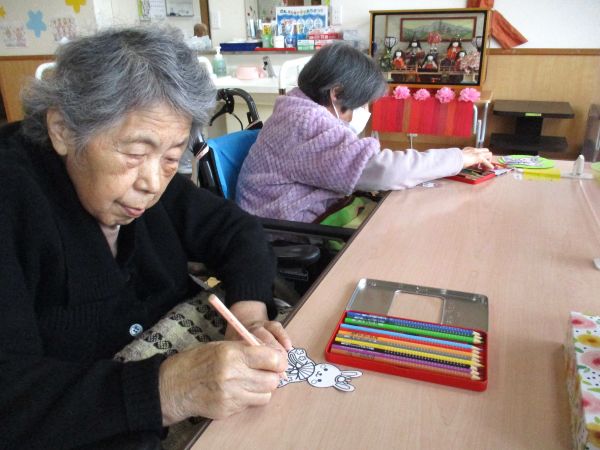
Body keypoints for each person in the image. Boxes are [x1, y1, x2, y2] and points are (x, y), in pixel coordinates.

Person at [0, 26, 291, 449]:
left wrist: (249, 316)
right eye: (134, 153)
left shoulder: (146, 178)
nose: (152, 184)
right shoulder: (13, 199)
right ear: (62, 129)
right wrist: (168, 389)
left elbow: (238, 231)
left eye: (172, 157)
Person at [236, 42, 493, 224]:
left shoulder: (296, 107)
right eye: (360, 105)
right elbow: (384, 170)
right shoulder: (305, 122)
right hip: (287, 227)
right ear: (336, 93)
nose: (362, 112)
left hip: (283, 213)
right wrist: (458, 158)